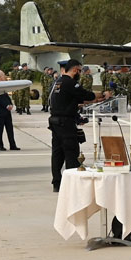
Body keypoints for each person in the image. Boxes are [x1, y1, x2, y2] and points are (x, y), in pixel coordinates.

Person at [47, 60, 96, 193]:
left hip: (55, 122)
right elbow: (86, 95)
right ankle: (72, 182)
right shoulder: (70, 83)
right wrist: (100, 96)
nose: (79, 73)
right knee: (71, 152)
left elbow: (69, 99)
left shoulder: (58, 82)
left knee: (57, 153)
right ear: (75, 70)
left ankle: (57, 182)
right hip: (65, 123)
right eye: (79, 71)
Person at [0, 69, 18, 151]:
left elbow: (6, 96)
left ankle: (12, 145)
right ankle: (0, 145)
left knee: (10, 128)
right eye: (3, 75)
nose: (5, 77)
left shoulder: (2, 85)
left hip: (6, 111)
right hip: (0, 111)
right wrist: (6, 105)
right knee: (0, 129)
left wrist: (10, 104)